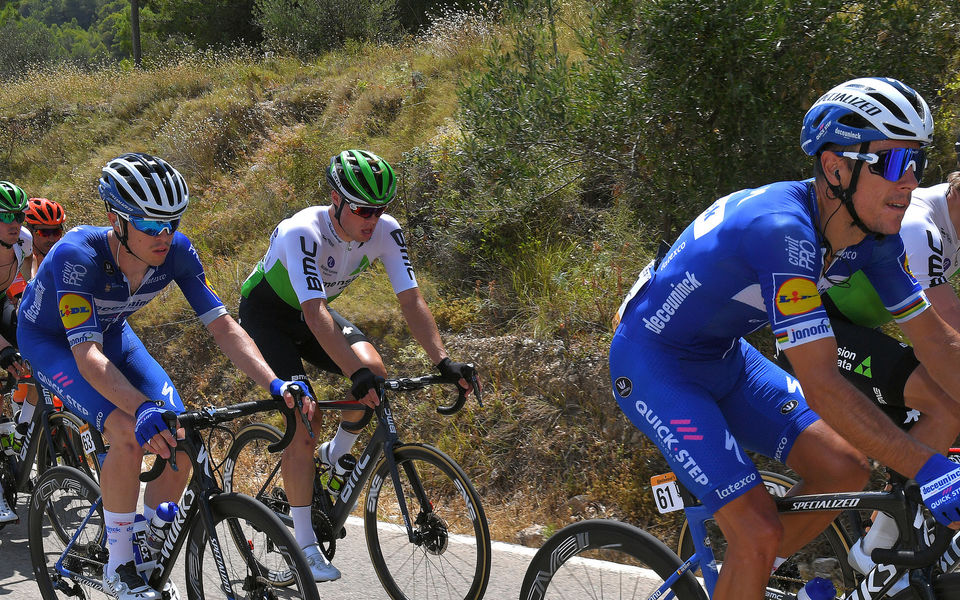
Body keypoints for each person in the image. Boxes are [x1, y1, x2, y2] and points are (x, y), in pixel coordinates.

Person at [609, 77, 960, 600]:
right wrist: (928, 466)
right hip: (655, 364)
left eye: (916, 161)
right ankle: (751, 561)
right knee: (755, 531)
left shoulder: (874, 240)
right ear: (835, 168)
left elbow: (939, 344)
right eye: (891, 162)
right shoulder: (781, 230)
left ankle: (745, 578)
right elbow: (821, 383)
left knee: (844, 469)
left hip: (724, 357)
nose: (909, 180)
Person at [16, 153, 315, 600]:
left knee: (179, 432)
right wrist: (139, 408)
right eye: (150, 224)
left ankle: (150, 548)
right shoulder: (76, 256)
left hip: (111, 332)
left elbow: (223, 326)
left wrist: (275, 383)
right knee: (126, 430)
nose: (164, 235)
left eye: (172, 222)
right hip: (52, 342)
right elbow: (87, 355)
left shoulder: (176, 251)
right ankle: (120, 566)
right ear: (117, 220)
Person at [238, 149, 478, 582]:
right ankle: (304, 545)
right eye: (363, 209)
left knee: (375, 373)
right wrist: (354, 374)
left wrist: (443, 360)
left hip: (312, 314)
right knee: (304, 417)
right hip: (268, 317)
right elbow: (315, 314)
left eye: (380, 209)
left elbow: (411, 299)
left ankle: (334, 456)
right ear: (336, 199)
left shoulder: (387, 231)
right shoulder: (303, 231)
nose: (372, 219)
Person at [776, 149, 960, 585]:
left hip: (855, 331)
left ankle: (897, 526)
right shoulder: (920, 223)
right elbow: (947, 326)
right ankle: (877, 548)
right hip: (817, 330)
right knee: (945, 403)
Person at [8, 198, 68, 433]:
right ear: (30, 232)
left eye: (56, 232)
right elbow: (21, 297)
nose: (52, 238)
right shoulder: (17, 253)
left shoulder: (62, 257)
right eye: (44, 232)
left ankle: (26, 422)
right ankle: (20, 423)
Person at [0, 181, 33, 523]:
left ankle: (22, 429)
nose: (15, 222)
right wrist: (5, 349)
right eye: (6, 216)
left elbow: (28, 276)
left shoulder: (23, 240)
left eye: (19, 215)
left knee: (33, 344)